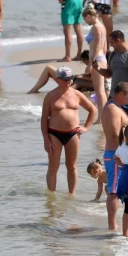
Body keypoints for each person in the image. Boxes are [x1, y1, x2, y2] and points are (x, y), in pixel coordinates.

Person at [39, 66, 98, 194]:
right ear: (58, 79)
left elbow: (93, 110)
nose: (68, 82)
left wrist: (86, 127)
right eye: (65, 80)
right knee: (53, 167)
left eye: (70, 79)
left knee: (71, 166)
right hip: (54, 134)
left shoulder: (76, 94)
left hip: (73, 134)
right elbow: (44, 119)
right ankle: (51, 197)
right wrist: (46, 140)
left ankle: (71, 194)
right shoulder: (50, 96)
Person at [100, 82, 128, 232]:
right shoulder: (113, 109)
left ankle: (115, 223)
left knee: (116, 189)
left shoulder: (115, 107)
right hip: (115, 155)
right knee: (114, 191)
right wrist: (124, 155)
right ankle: (112, 225)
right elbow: (115, 134)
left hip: (117, 154)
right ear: (121, 94)